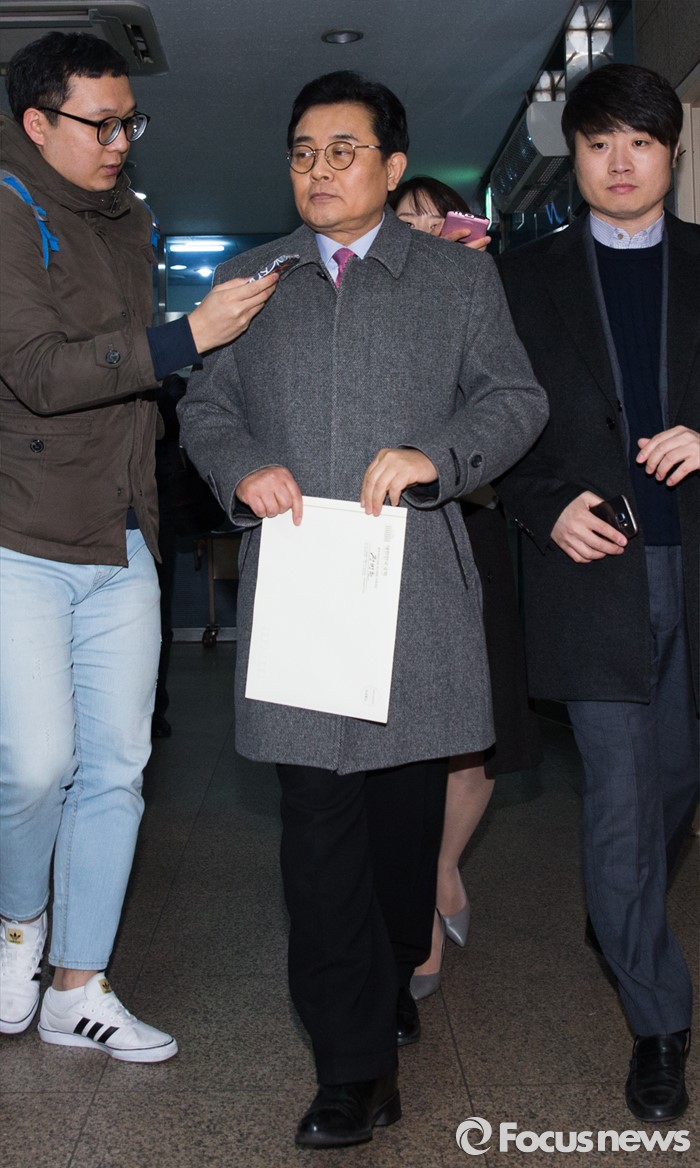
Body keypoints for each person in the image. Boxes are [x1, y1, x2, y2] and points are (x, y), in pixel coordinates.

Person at [179, 69, 548, 1148]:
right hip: (301, 590)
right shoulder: (249, 281)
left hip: (412, 594)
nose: (319, 170)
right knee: (316, 832)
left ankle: (387, 977)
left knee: (399, 833)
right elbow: (206, 409)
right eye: (303, 152)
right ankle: (350, 1070)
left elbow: (515, 398)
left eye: (342, 151)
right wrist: (242, 467)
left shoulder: (457, 280)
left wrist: (438, 455)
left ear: (392, 167)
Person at [0, 31, 278, 1059]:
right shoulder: (5, 206)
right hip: (23, 529)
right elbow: (39, 370)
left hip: (123, 533)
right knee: (37, 765)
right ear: (38, 122)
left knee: (118, 768)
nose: (123, 142)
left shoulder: (132, 219)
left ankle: (79, 985)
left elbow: (134, 378)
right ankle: (17, 927)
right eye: (103, 124)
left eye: (131, 122)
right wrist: (186, 336)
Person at [496, 63, 699, 1123]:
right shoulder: (520, 280)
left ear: (671, 153)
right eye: (598, 143)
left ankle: (619, 907)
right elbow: (487, 423)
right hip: (593, 573)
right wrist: (543, 505)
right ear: (572, 156)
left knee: (674, 783)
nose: (620, 162)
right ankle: (658, 1022)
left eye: (641, 142)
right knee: (620, 799)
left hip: (689, 565)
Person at [389, 176, 542, 998]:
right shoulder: (376, 295)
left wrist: (483, 281)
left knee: (477, 728)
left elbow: (517, 405)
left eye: (431, 216)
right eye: (404, 218)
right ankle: (417, 897)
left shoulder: (486, 288)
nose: (420, 229)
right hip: (392, 526)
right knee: (410, 725)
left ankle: (442, 866)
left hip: (472, 522)